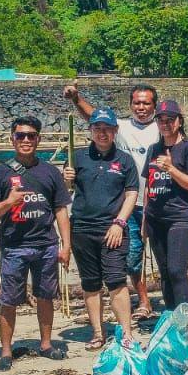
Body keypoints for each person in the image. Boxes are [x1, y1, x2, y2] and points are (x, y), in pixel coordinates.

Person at [0, 116, 73, 370]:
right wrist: (8, 203)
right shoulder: (0, 173)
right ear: (13, 139)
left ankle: (46, 344)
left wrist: (66, 245)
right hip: (14, 246)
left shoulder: (50, 172)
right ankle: (6, 352)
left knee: (45, 296)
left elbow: (61, 209)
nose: (26, 140)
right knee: (8, 300)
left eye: (31, 135)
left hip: (46, 244)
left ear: (39, 139)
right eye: (21, 136)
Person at [66, 84, 159, 321]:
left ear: (154, 106)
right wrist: (77, 98)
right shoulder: (122, 127)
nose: (141, 107)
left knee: (158, 254)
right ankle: (143, 299)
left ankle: (165, 301)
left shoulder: (162, 126)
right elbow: (93, 117)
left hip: (154, 200)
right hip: (125, 201)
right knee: (131, 255)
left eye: (146, 103)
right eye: (137, 103)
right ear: (130, 105)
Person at [62, 108, 139, 348]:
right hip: (82, 228)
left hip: (112, 228)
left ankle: (126, 333)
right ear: (91, 131)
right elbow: (65, 193)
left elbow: (131, 193)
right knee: (90, 282)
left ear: (115, 131)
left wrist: (120, 222)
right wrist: (66, 178)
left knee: (116, 280)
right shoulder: (78, 157)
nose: (102, 133)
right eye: (97, 128)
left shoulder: (124, 160)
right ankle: (97, 332)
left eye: (107, 128)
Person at [145, 100, 188, 312]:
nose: (165, 124)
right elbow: (148, 185)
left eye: (170, 119)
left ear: (179, 121)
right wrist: (145, 220)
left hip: (182, 217)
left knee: (177, 270)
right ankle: (172, 317)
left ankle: (186, 320)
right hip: (156, 218)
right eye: (161, 120)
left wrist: (171, 169)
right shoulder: (154, 149)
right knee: (164, 271)